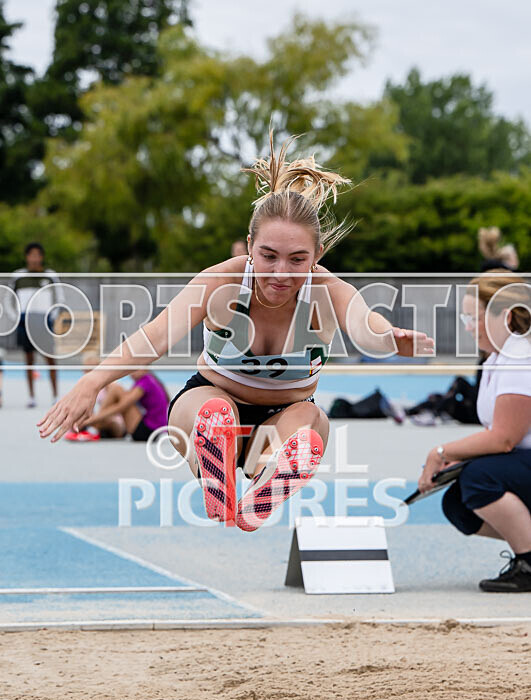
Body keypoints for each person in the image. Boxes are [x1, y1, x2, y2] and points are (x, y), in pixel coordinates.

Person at [38, 133, 434, 530]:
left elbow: (365, 327)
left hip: (279, 422)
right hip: (207, 404)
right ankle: (217, 469)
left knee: (313, 423)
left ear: (318, 256)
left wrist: (391, 340)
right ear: (249, 246)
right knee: (216, 412)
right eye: (268, 257)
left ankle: (267, 482)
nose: (280, 273)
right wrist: (92, 382)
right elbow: (156, 336)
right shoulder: (220, 282)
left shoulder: (329, 292)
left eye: (297, 260)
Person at [418, 271, 531, 592]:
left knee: (480, 478)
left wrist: (440, 453)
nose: (467, 326)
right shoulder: (499, 357)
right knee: (458, 504)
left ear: (506, 317)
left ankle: (530, 562)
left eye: (474, 317)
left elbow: (504, 439)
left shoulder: (520, 356)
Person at [9, 242, 65, 408]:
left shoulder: (50, 275)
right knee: (28, 359)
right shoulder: (18, 276)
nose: (34, 258)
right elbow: (9, 298)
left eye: (37, 255)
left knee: (50, 358)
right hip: (25, 320)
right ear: (27, 257)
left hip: (43, 320)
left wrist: (52, 317)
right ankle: (31, 396)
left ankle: (55, 395)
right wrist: (16, 317)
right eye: (31, 255)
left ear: (41, 257)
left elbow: (60, 297)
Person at [80, 368, 169, 442]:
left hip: (146, 432)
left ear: (145, 368)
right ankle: (96, 423)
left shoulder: (145, 382)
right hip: (152, 431)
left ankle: (91, 423)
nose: (131, 374)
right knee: (116, 391)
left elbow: (122, 406)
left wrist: (90, 421)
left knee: (116, 389)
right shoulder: (148, 381)